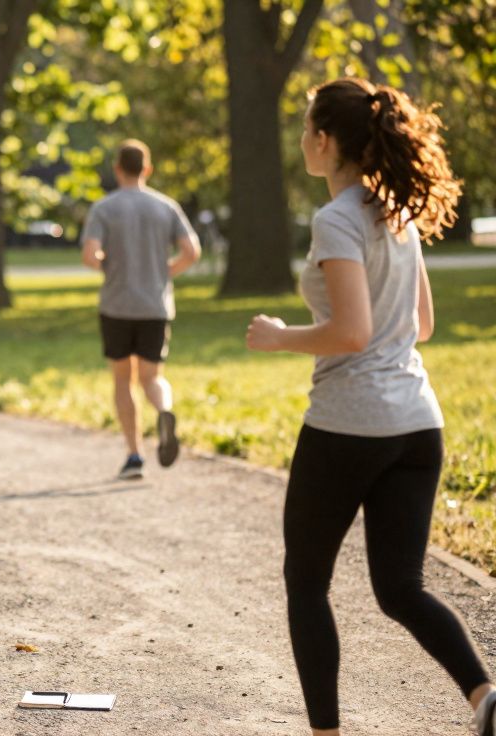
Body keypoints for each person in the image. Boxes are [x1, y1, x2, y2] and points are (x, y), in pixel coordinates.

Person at [245, 78, 494, 736]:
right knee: (401, 589)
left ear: (326, 142)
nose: (301, 140)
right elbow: (424, 323)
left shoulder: (337, 219)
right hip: (418, 421)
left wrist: (278, 338)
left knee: (306, 582)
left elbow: (351, 332)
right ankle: (485, 700)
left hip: (350, 423)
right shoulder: (398, 211)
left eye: (305, 129)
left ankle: (326, 732)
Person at [80, 140, 201, 480]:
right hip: (155, 305)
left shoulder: (104, 208)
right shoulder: (166, 206)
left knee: (123, 379)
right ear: (147, 169)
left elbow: (90, 256)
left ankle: (134, 455)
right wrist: (165, 273)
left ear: (118, 169)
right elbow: (192, 251)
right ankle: (164, 410)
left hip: (117, 305)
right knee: (152, 377)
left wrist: (108, 265)